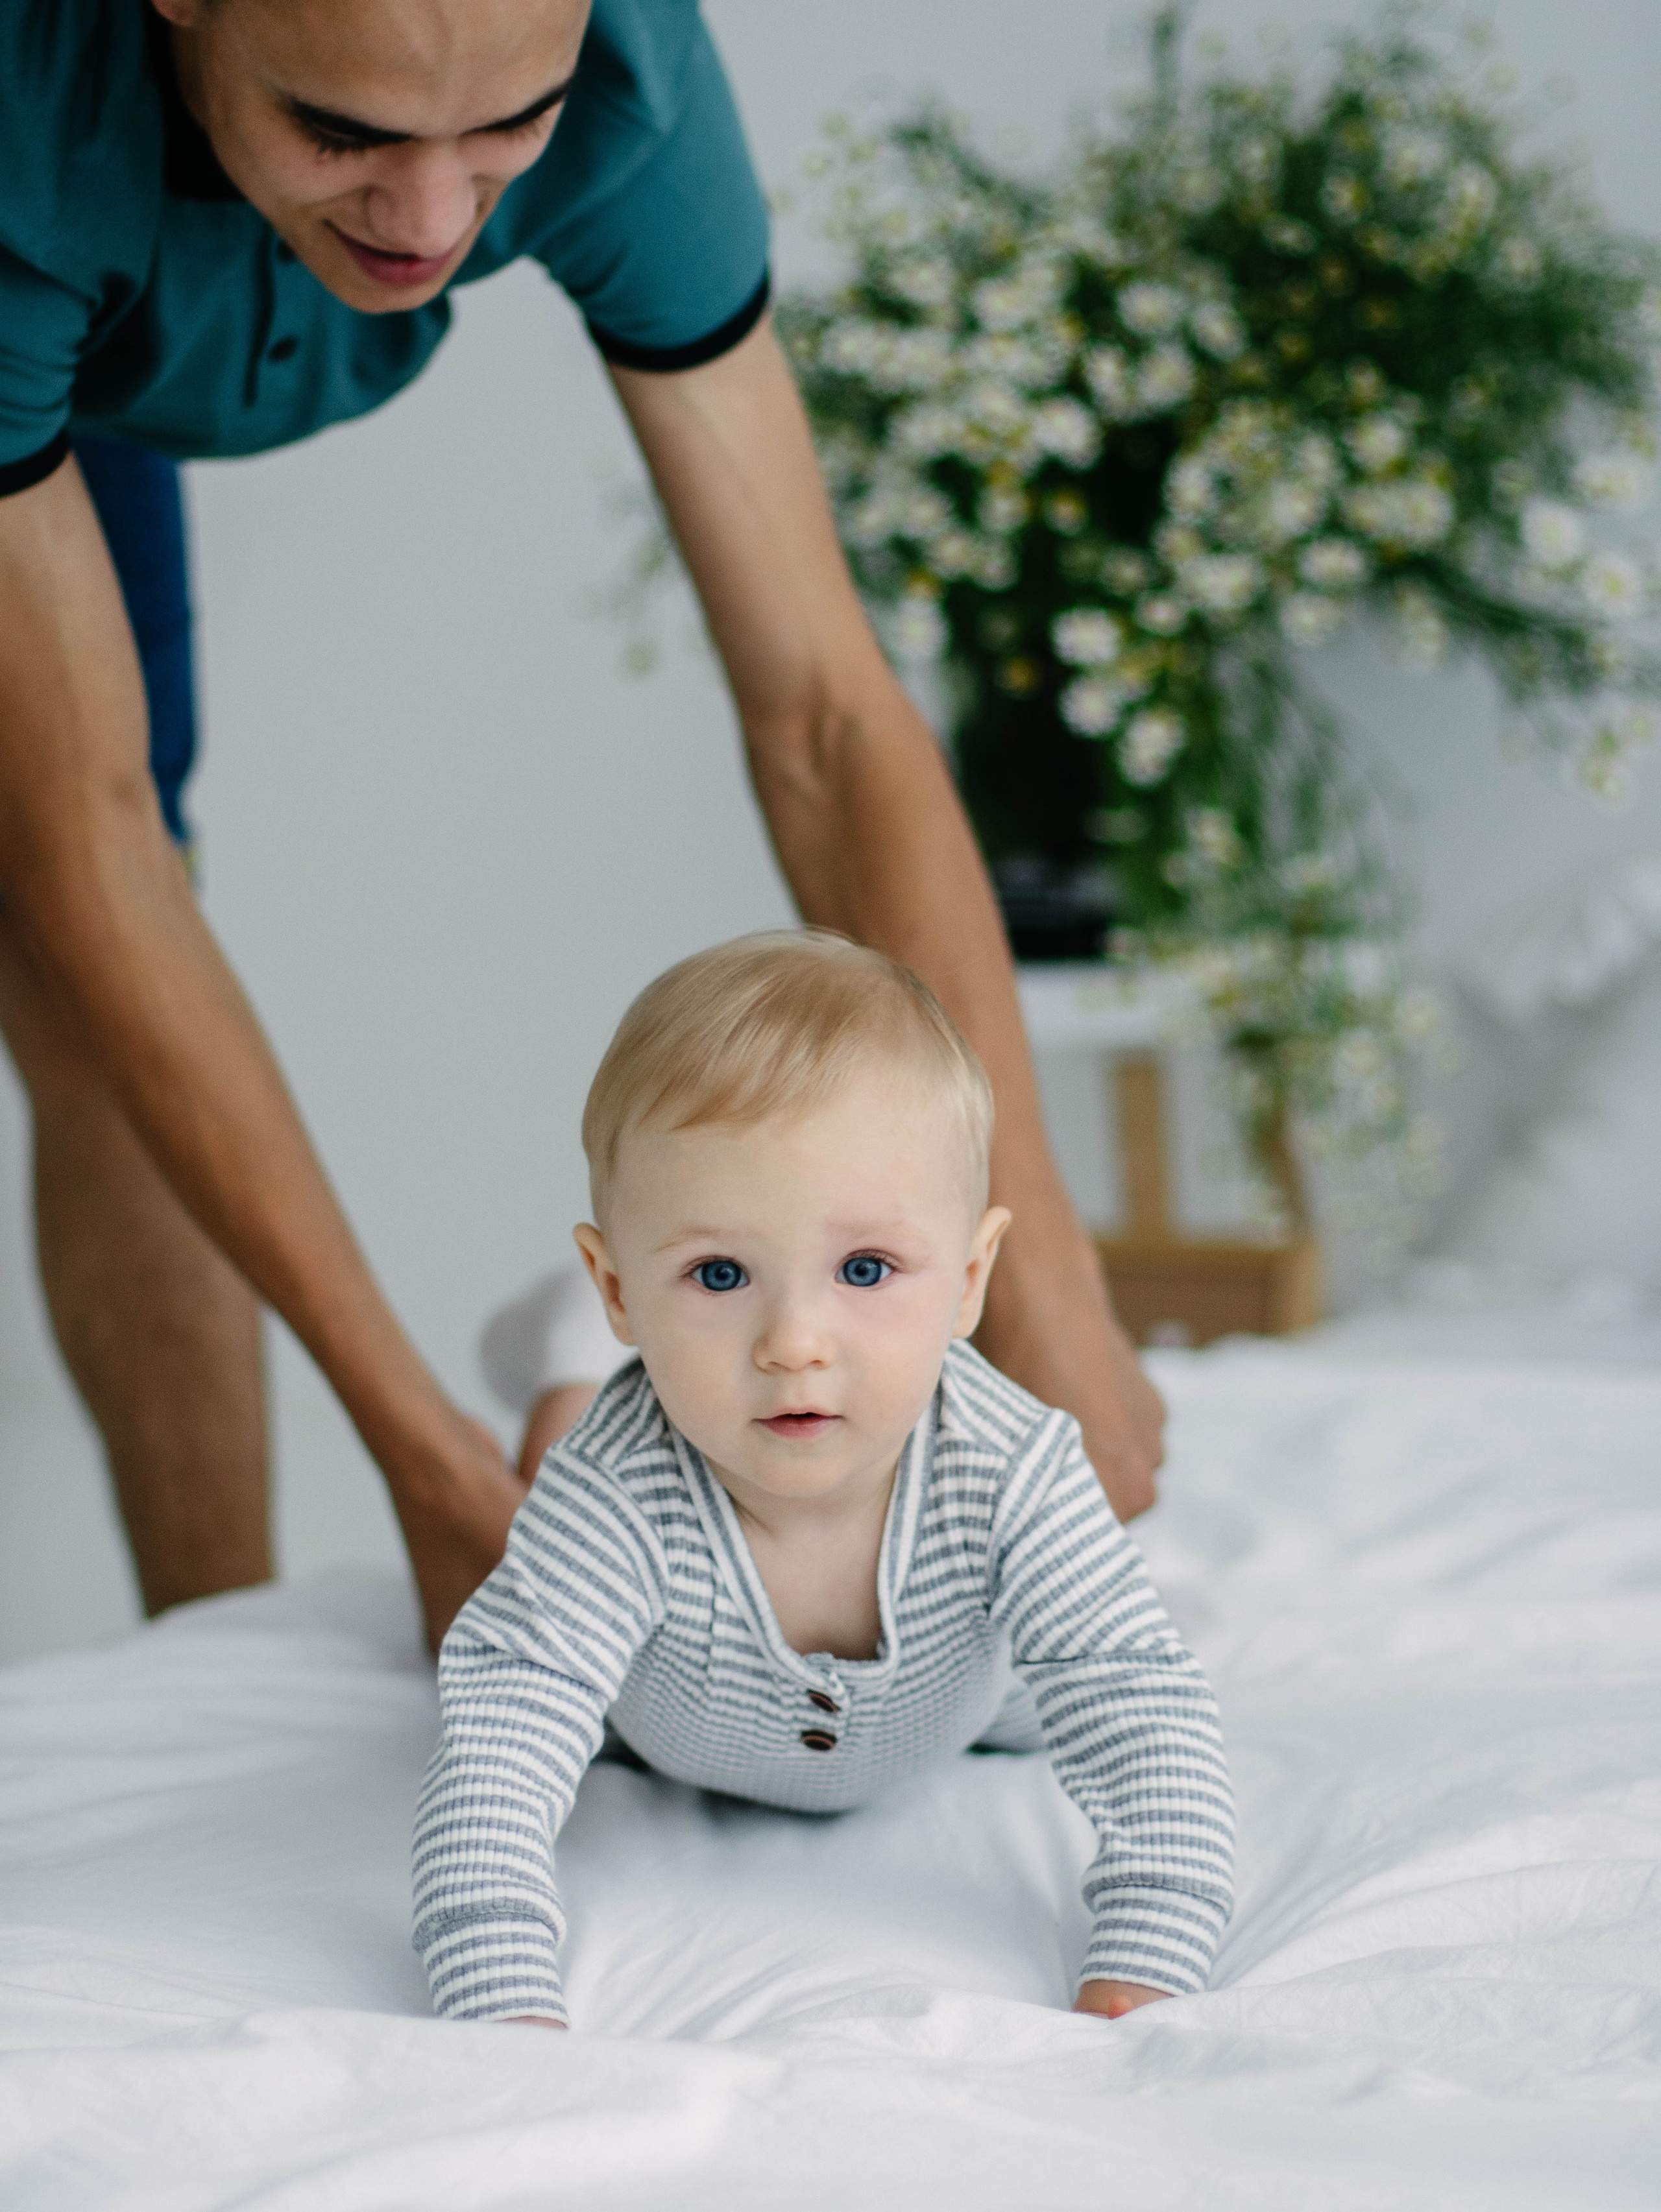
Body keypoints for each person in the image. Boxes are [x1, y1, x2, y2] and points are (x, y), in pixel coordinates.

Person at [0, 0, 1163, 1650]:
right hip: (31, 307)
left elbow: (826, 719)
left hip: (77, 351)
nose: (428, 217)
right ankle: (218, 1665)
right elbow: (92, 844)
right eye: (341, 133)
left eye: (506, 130)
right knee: (64, 970)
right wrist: (421, 1456)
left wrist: (1049, 1282)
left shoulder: (630, 72)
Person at [413, 933, 1233, 2026]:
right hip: (660, 1710)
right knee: (531, 1515)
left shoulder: (1013, 1470)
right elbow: (495, 1759)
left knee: (1080, 1669)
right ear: (620, 1282)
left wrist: (1147, 1955)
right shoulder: (611, 1499)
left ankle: (625, 1337)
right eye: (718, 1273)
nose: (795, 1342)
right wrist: (502, 1997)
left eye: (865, 1269)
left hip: (956, 1701)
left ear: (970, 1278)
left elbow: (1144, 1711)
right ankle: (574, 1360)